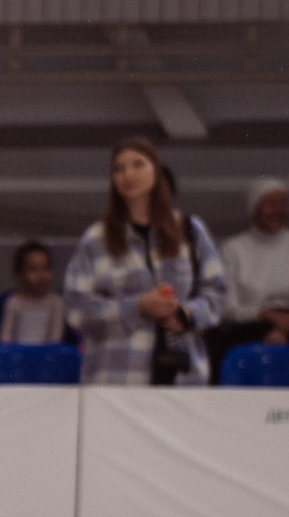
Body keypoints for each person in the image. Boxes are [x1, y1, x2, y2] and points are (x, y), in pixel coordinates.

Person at [62, 136, 226, 387]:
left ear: (156, 171)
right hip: (116, 378)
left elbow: (218, 293)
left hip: (183, 379)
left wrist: (186, 314)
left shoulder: (191, 229)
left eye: (138, 164)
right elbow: (76, 310)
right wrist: (137, 307)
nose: (128, 174)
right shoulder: (96, 239)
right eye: (119, 168)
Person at [206, 179, 289, 382]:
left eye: (282, 203)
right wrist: (264, 314)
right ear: (254, 208)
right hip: (247, 325)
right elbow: (229, 308)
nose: (278, 210)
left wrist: (285, 326)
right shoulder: (232, 248)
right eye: (271, 203)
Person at [0, 241, 66, 350]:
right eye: (33, 269)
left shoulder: (57, 302)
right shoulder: (14, 302)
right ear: (19, 275)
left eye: (46, 268)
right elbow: (5, 341)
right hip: (17, 360)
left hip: (47, 361)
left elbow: (56, 341)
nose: (41, 275)